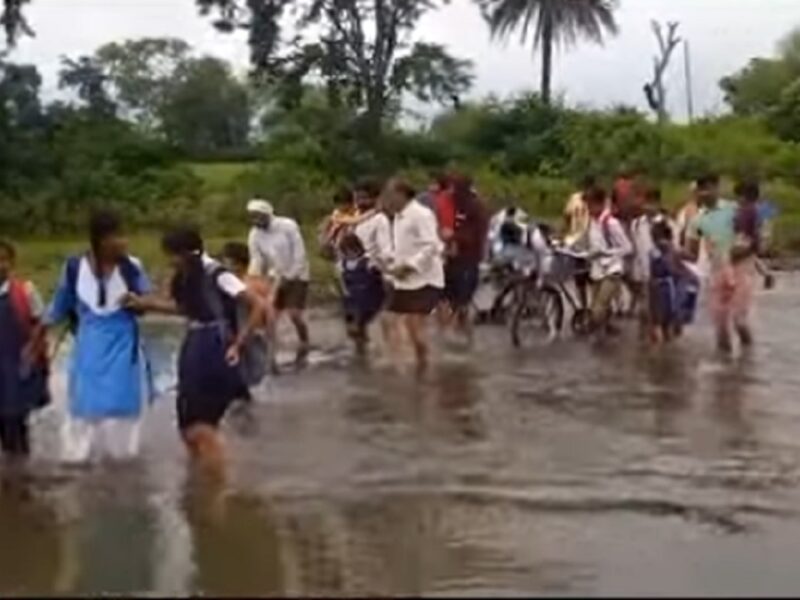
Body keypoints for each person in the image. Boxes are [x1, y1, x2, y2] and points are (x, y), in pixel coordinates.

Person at [124, 227, 262, 477]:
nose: (171, 262)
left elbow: (257, 305)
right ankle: (203, 475)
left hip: (215, 348)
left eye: (173, 256)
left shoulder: (217, 274)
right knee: (187, 424)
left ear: (187, 253)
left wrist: (239, 344)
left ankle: (217, 483)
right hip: (195, 345)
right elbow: (186, 310)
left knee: (202, 425)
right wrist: (146, 304)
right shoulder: (188, 275)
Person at [45, 210, 152, 464]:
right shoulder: (73, 268)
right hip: (89, 347)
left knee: (123, 410)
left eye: (123, 235)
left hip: (124, 347)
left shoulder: (132, 268)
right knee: (84, 410)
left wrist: (137, 303)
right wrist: (36, 335)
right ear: (100, 240)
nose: (123, 241)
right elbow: (58, 307)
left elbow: (147, 304)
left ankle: (122, 465)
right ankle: (79, 463)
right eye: (117, 236)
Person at [382, 178, 445, 372]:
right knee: (389, 319)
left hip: (424, 279)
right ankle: (404, 362)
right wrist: (391, 264)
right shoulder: (398, 217)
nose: (388, 199)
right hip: (405, 280)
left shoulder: (421, 214)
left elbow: (431, 245)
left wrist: (410, 266)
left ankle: (423, 367)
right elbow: (403, 247)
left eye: (391, 194)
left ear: (402, 194)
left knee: (414, 326)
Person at [686, 174, 747, 354]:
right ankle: (726, 368)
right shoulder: (697, 219)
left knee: (739, 321)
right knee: (720, 325)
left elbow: (751, 231)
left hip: (739, 267)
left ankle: (747, 355)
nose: (705, 193)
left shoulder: (733, 209)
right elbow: (691, 252)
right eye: (701, 189)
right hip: (716, 269)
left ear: (717, 188)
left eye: (709, 188)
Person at [0, 239, 49, 461]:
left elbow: (41, 323)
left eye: (3, 259)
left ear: (11, 263)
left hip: (16, 366)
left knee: (15, 421)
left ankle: (20, 478)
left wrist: (34, 350)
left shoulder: (25, 291)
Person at [246, 199, 311, 366]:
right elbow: (256, 259)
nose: (255, 221)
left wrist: (291, 276)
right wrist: (253, 279)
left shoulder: (287, 226)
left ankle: (304, 340)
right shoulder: (254, 234)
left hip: (297, 274)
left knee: (294, 313)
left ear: (267, 214)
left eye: (258, 216)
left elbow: (299, 253)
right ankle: (270, 352)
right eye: (252, 217)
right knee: (271, 315)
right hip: (273, 276)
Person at [220, 242, 273, 400]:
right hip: (234, 335)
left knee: (252, 381)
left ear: (238, 264)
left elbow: (267, 312)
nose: (223, 266)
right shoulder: (226, 285)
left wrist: (267, 336)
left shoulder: (252, 285)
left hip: (251, 336)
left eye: (226, 262)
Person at [442, 174, 490, 339]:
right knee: (451, 301)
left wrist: (453, 237)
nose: (451, 192)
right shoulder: (456, 206)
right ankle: (460, 339)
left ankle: (459, 339)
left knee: (461, 303)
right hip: (453, 259)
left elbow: (476, 235)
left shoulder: (476, 207)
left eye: (454, 188)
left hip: (469, 260)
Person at [585, 186, 633, 336]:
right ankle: (606, 335)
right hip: (597, 269)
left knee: (598, 308)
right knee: (597, 305)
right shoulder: (592, 222)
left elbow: (628, 248)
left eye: (590, 205)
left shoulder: (611, 223)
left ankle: (594, 333)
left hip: (612, 269)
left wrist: (605, 253)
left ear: (599, 204)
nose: (588, 209)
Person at [648, 221, 700, 344]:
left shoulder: (672, 251)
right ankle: (668, 347)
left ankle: (669, 348)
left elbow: (693, 258)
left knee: (674, 320)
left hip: (679, 287)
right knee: (663, 322)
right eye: (655, 238)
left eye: (659, 238)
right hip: (664, 288)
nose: (660, 242)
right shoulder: (655, 252)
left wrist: (694, 240)